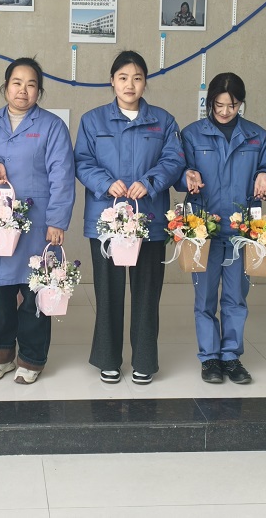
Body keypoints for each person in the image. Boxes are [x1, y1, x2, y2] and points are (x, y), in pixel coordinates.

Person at [74, 50, 184, 384]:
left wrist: (149, 182)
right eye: (123, 78)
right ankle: (108, 358)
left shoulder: (163, 121)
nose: (130, 85)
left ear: (145, 82)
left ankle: (144, 361)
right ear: (112, 81)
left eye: (137, 78)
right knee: (108, 291)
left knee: (147, 292)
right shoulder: (93, 121)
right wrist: (105, 183)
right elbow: (82, 161)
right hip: (106, 219)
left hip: (149, 218)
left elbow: (174, 160)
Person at [0, 58, 75, 384]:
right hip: (0, 222)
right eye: (17, 83)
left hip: (39, 222)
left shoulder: (52, 126)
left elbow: (62, 176)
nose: (23, 90)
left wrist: (57, 221)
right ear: (5, 87)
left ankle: (31, 358)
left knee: (34, 293)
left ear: (39, 91)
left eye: (31, 84)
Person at [180, 72, 266, 385]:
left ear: (241, 104)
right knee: (205, 298)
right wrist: (186, 175)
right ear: (210, 102)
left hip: (242, 230)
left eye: (232, 105)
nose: (225, 111)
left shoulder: (257, 136)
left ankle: (231, 357)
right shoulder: (192, 135)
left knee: (236, 298)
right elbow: (178, 171)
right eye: (219, 105)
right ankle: (209, 358)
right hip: (203, 229)